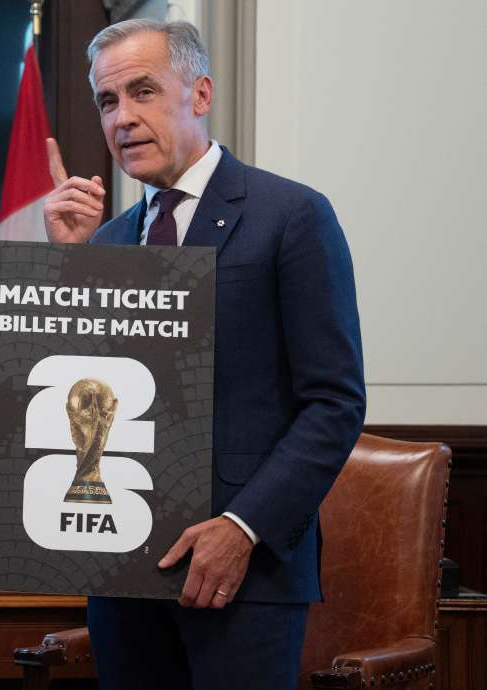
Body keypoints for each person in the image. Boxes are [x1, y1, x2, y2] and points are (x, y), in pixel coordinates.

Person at [42, 19, 365, 689]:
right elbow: (77, 399)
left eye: (142, 92)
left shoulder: (292, 215)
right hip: (123, 569)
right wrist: (67, 271)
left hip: (244, 575)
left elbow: (334, 404)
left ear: (200, 93)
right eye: (109, 102)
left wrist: (241, 527)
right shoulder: (103, 243)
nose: (123, 119)